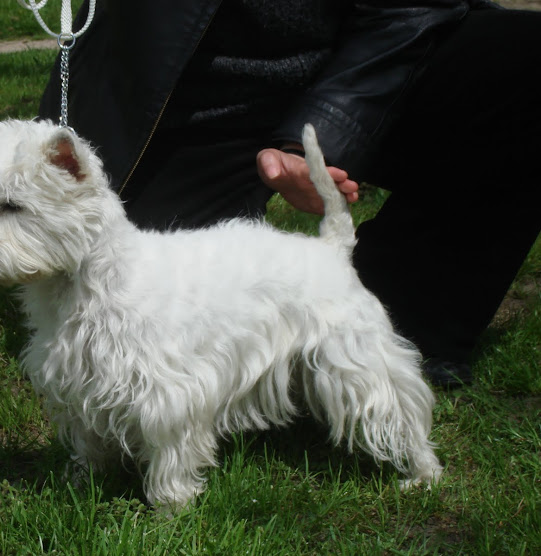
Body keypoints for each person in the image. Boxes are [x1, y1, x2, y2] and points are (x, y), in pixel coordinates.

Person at [39, 0, 541, 387]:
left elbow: (410, 11)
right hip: (193, 98)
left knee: (523, 57)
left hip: (365, 69)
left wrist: (328, 129)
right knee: (140, 323)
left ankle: (401, 322)